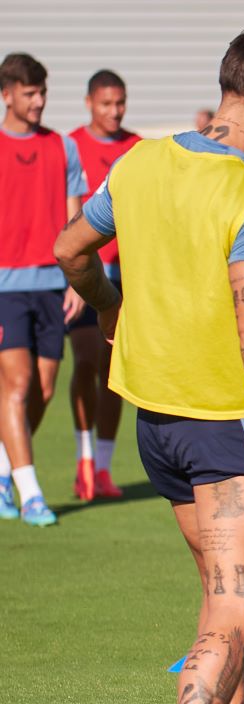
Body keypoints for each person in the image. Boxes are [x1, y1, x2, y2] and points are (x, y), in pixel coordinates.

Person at [55, 26, 244, 704]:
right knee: (238, 613)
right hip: (227, 434)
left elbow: (71, 247)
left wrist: (110, 308)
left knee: (230, 604)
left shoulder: (138, 162)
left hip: (156, 429)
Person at [0, 52, 88, 526]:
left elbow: (76, 221)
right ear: (7, 94)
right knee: (15, 385)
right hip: (4, 288)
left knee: (45, 388)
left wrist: (77, 277)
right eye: (30, 93)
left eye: (43, 93)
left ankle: (2, 468)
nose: (38, 102)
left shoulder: (62, 147)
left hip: (53, 285)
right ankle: (31, 492)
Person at [67, 69, 141, 501]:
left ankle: (105, 466)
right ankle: (83, 460)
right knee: (87, 361)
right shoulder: (70, 144)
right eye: (106, 103)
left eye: (120, 103)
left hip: (126, 275)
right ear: (90, 103)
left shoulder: (136, 149)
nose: (115, 112)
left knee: (115, 372)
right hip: (84, 274)